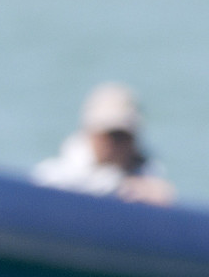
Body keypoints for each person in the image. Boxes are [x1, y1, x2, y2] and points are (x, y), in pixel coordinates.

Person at [33, 83, 176, 205]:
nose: (115, 144)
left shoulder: (150, 183)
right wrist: (118, 186)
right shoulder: (53, 175)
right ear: (90, 133)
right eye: (108, 134)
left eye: (122, 136)